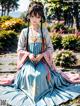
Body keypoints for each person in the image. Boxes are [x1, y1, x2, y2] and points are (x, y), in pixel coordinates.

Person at [0, 1, 80, 106]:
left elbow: (50, 48)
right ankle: (29, 93)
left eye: (37, 16)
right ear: (29, 16)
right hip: (28, 61)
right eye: (32, 16)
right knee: (29, 74)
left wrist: (42, 55)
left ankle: (42, 93)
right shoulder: (25, 32)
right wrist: (28, 54)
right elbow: (19, 49)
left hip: (43, 61)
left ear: (41, 18)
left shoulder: (44, 31)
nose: (34, 19)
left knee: (41, 75)